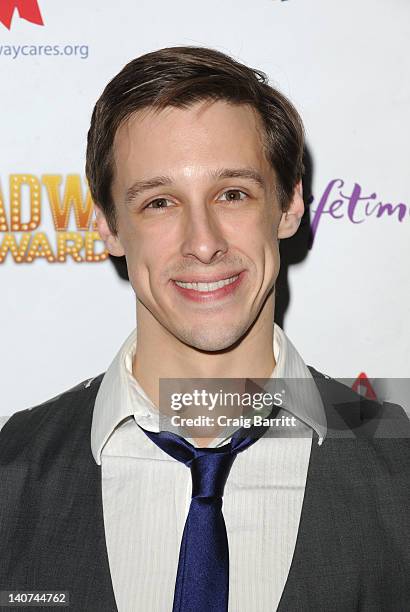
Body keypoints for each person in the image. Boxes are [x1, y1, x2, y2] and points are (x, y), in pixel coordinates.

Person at [0, 46, 409, 612]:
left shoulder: (400, 468)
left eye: (233, 193)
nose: (203, 241)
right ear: (108, 227)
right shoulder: (10, 470)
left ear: (290, 206)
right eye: (160, 202)